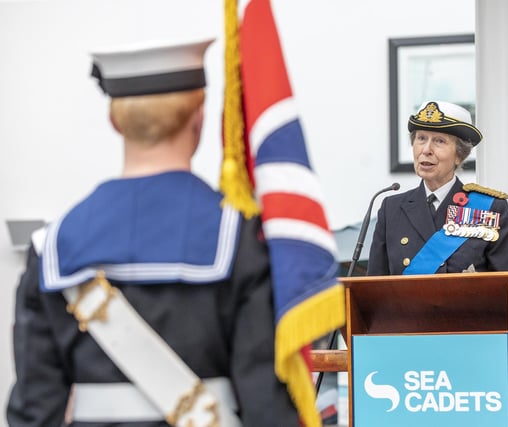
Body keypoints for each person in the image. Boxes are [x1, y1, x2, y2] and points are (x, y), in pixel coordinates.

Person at [6, 38, 300, 427]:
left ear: (115, 122)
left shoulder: (51, 248)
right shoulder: (241, 237)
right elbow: (267, 406)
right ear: (199, 118)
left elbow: (34, 411)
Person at [367, 100, 508, 276]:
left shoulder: (489, 208)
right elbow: (375, 286)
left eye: (439, 141)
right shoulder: (391, 209)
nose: (426, 150)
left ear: (459, 155)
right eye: (421, 138)